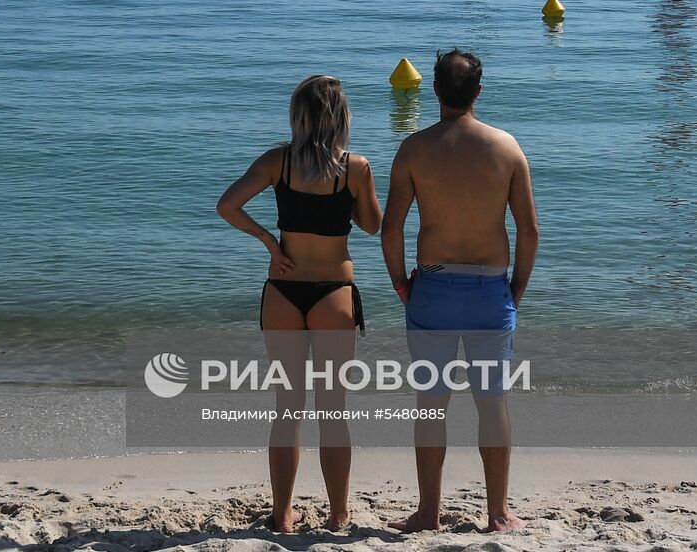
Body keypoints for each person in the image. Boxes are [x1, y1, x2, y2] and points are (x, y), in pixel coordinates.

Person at [381, 49, 539, 533]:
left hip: (431, 287)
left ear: (433, 91)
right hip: (490, 288)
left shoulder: (414, 149)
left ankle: (429, 511)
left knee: (431, 402)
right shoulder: (506, 147)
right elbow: (529, 230)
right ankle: (498, 513)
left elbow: (391, 230)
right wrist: (517, 287)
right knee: (492, 402)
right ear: (479, 91)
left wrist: (401, 283)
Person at [217, 75, 382, 533]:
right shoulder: (355, 167)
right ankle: (339, 515)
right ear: (342, 119)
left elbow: (227, 206)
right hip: (334, 294)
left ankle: (283, 514)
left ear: (298, 117)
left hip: (282, 292)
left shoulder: (278, 162)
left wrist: (271, 242)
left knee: (287, 408)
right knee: (334, 410)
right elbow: (371, 225)